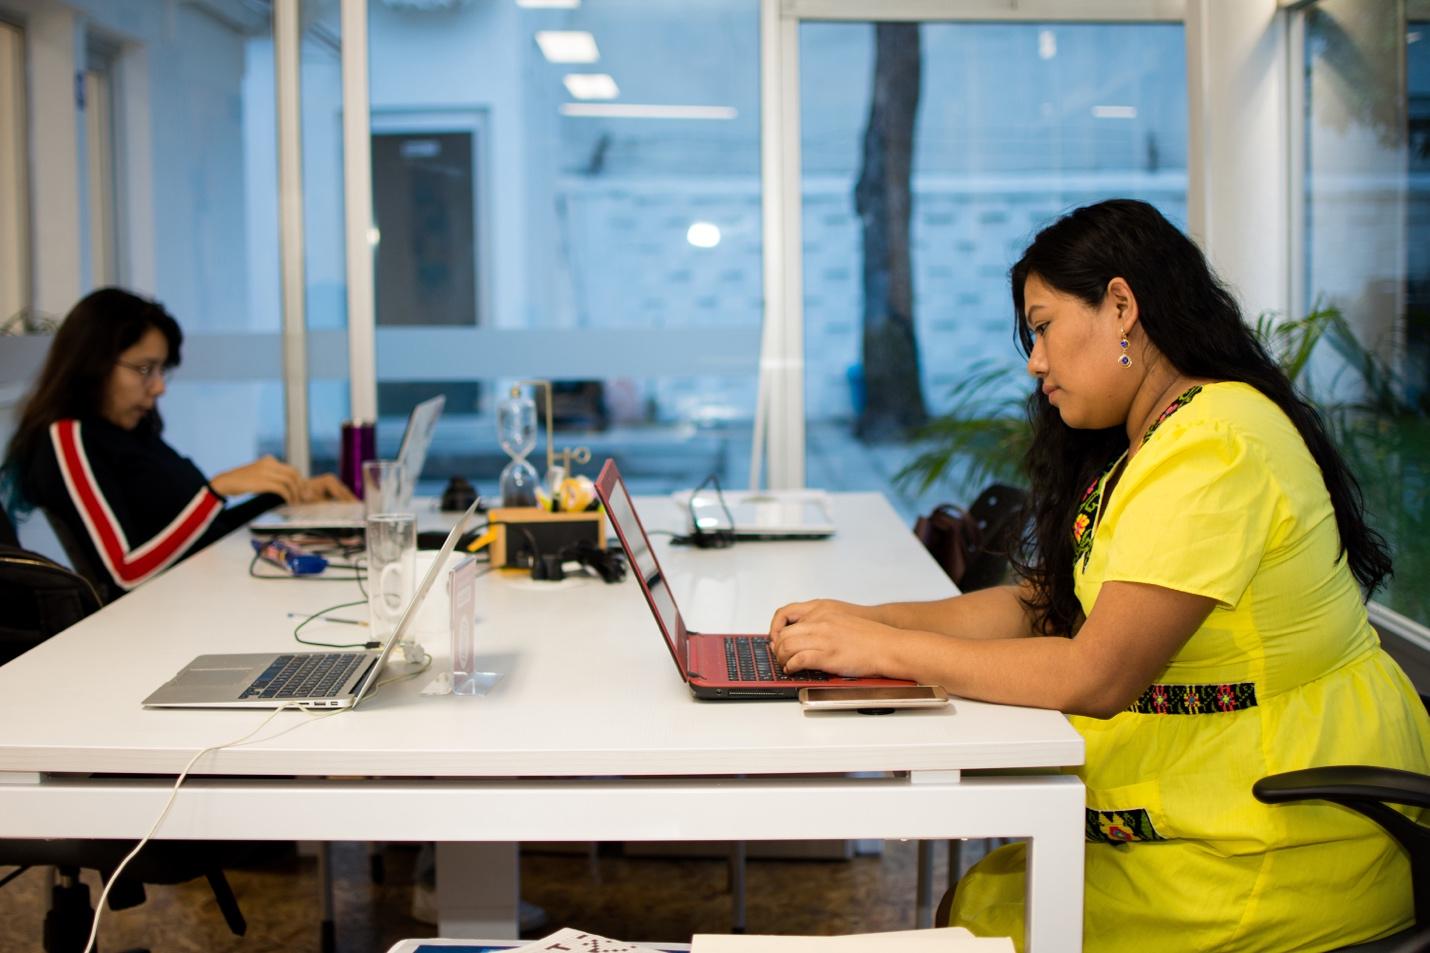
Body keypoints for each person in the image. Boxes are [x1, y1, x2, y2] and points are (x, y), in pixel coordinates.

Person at [768, 200, 1430, 951]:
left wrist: (885, 653)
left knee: (988, 918)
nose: (1035, 362)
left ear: (1121, 306)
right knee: (985, 898)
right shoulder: (1163, 435)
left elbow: (1097, 672)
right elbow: (1041, 608)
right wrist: (868, 621)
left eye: (1043, 325)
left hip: (1279, 840)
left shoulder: (1217, 446)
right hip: (1234, 802)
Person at [0, 287, 352, 599]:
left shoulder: (134, 433)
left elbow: (200, 532)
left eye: (161, 370)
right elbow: (124, 573)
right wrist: (216, 491)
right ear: (95, 363)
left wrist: (281, 494)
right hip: (154, 623)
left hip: (192, 599)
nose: (159, 386)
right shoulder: (69, 438)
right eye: (144, 369)